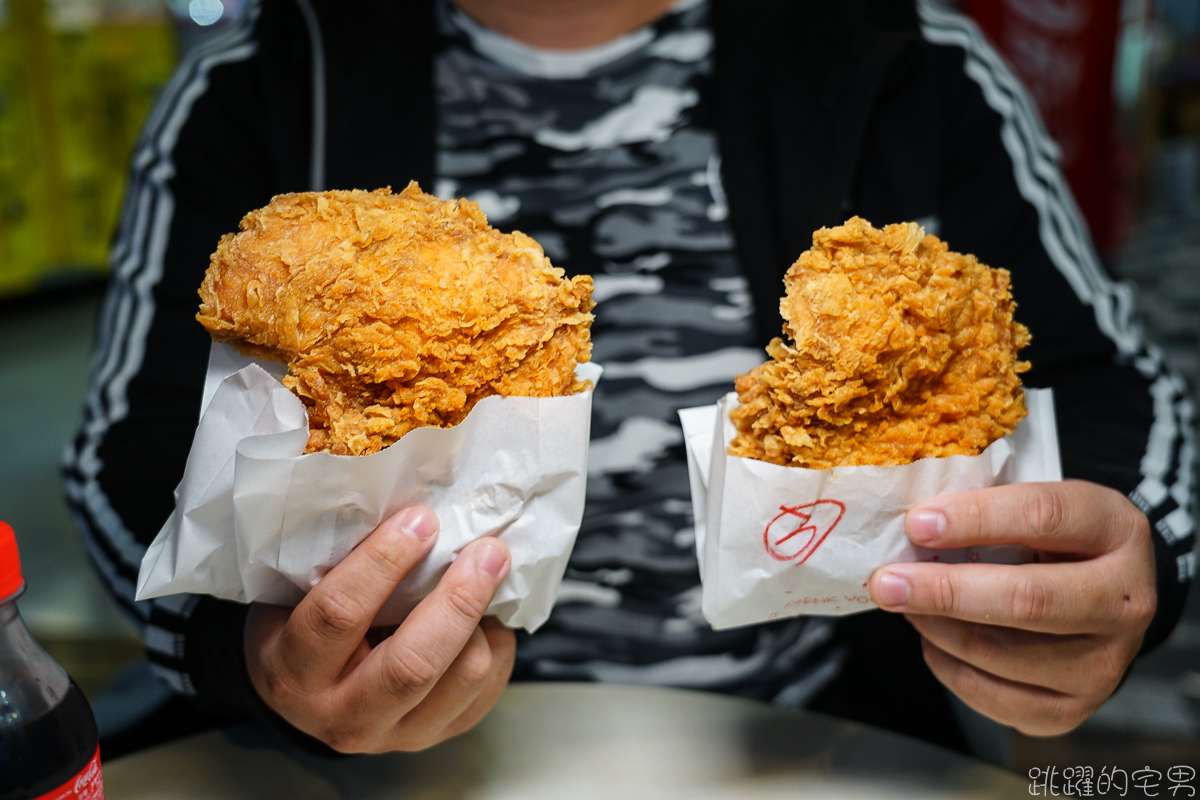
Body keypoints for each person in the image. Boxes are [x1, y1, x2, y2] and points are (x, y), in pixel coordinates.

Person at [65, 0, 1194, 756]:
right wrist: (245, 652)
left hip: (813, 734)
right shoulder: (259, 81)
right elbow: (127, 452)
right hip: (355, 768)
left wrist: (1106, 567)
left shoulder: (909, 58)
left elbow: (1112, 387)